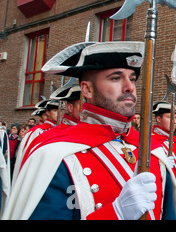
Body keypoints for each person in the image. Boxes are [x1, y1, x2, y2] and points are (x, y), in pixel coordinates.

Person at [2, 41, 157, 220]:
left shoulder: (151, 152)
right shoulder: (54, 155)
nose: (129, 87)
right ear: (87, 89)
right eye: (116, 78)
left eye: (132, 78)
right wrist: (115, 214)